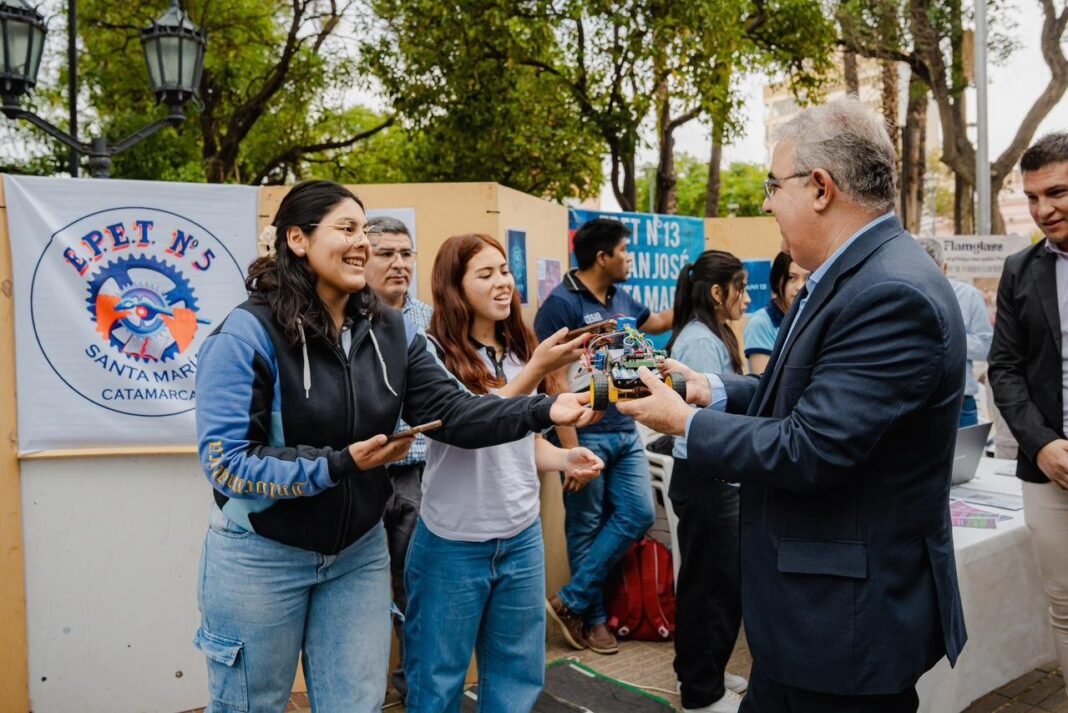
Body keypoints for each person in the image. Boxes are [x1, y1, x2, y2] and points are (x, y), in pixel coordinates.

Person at [616, 98, 967, 712]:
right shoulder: (859, 274)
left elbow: (813, 448)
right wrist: (710, 389)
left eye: (774, 186)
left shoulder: (888, 292)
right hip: (812, 621)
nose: (768, 204)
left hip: (841, 629)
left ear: (822, 188)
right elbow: (807, 396)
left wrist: (684, 422)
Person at [193, 181, 597, 712]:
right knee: (254, 705)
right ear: (297, 239)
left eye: (365, 229)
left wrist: (543, 410)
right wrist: (338, 465)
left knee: (355, 704)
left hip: (357, 554)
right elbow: (227, 464)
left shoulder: (388, 329)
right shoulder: (246, 334)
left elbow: (452, 414)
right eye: (346, 228)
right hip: (261, 554)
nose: (362, 242)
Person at [403, 233, 604, 712]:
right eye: (485, 274)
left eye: (505, 271)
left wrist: (561, 459)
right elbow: (469, 425)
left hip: (520, 538)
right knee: (437, 681)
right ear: (454, 285)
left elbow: (517, 440)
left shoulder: (520, 347)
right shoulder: (429, 353)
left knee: (518, 679)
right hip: (452, 543)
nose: (502, 284)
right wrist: (534, 372)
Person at [534, 217, 672, 655]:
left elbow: (658, 322)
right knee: (586, 526)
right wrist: (571, 450)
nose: (628, 258)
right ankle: (592, 621)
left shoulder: (621, 296)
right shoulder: (560, 305)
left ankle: (569, 600)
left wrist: (695, 288)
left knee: (638, 514)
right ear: (602, 257)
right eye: (623, 252)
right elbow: (553, 383)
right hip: (585, 438)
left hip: (625, 431)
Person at [989, 131, 1068, 692]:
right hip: (1050, 469)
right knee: (1063, 606)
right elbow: (1005, 369)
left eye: (1057, 193)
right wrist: (1041, 445)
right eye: (1033, 196)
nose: (1043, 209)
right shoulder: (1020, 269)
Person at [666, 250, 750, 713]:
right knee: (710, 587)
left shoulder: (712, 335)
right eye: (741, 286)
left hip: (714, 474)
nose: (746, 296)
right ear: (717, 292)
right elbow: (703, 418)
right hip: (706, 476)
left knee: (716, 582)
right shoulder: (700, 344)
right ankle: (701, 692)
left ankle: (706, 673)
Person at [362, 215, 432, 702]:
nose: (398, 264)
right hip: (359, 476)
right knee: (359, 594)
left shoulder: (434, 320)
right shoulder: (342, 318)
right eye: (385, 253)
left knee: (417, 587)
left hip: (423, 475)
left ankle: (413, 690)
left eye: (405, 254)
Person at [917, 238, 993, 427]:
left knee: (964, 456)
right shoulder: (900, 296)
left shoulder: (968, 296)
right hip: (915, 401)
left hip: (961, 402)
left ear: (945, 268)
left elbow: (986, 347)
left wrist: (947, 337)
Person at [743, 251, 808, 374]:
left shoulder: (811, 317)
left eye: (807, 278)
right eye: (791, 278)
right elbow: (762, 381)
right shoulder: (761, 323)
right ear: (778, 281)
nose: (800, 286)